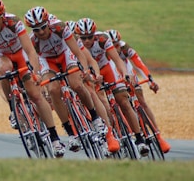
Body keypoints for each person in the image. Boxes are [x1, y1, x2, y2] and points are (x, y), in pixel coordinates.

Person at [0, 0, 66, 158]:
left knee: (36, 95)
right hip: (1, 55)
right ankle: (13, 109)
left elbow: (31, 51)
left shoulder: (13, 22)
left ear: (2, 16)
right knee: (5, 69)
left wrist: (35, 73)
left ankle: (55, 138)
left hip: (20, 53)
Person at [24, 6, 120, 153]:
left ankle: (95, 118)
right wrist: (36, 75)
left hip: (65, 54)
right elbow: (36, 62)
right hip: (47, 60)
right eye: (36, 30)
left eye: (43, 27)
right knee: (53, 90)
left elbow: (78, 53)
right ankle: (70, 132)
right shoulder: (33, 40)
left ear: (48, 23)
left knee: (76, 84)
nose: (41, 32)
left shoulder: (60, 28)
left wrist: (85, 70)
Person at [74, 17, 150, 157]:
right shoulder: (76, 44)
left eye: (90, 37)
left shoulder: (102, 39)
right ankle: (109, 132)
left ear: (95, 34)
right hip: (91, 73)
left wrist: (125, 74)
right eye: (83, 38)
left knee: (123, 101)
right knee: (98, 101)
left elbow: (117, 60)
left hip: (107, 69)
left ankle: (139, 139)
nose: (87, 41)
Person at [105, 29, 171, 153]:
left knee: (141, 100)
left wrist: (150, 80)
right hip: (111, 73)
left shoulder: (125, 48)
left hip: (126, 72)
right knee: (118, 101)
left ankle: (158, 135)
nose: (115, 48)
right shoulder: (102, 51)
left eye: (117, 45)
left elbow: (138, 63)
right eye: (112, 45)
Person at [66, 21, 120, 153]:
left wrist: (94, 75)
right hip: (67, 73)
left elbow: (91, 61)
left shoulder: (78, 44)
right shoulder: (58, 45)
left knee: (93, 92)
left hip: (82, 72)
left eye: (74, 36)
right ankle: (74, 132)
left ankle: (109, 132)